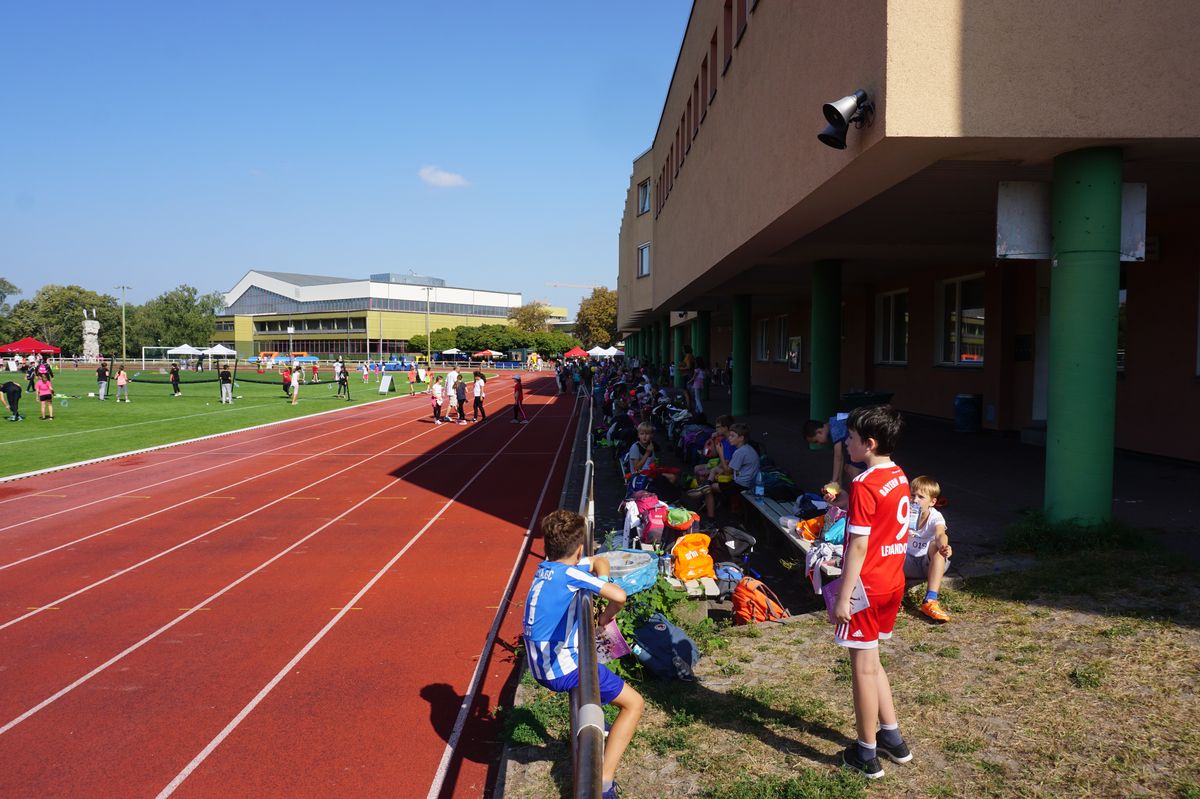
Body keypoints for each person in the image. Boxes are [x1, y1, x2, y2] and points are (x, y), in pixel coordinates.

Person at [522, 509, 644, 799]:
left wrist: (598, 572)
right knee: (634, 705)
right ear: (579, 549)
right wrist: (605, 619)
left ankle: (593, 725)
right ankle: (603, 782)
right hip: (560, 669)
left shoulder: (546, 568)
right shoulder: (572, 575)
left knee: (598, 695)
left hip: (540, 665)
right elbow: (619, 596)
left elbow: (600, 561)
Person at [833, 405, 912, 779]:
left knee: (862, 669)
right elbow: (879, 519)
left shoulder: (864, 483)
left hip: (867, 586)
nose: (845, 443)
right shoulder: (898, 476)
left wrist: (843, 595)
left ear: (869, 444)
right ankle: (892, 736)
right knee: (873, 659)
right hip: (892, 581)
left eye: (850, 438)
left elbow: (860, 547)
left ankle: (866, 753)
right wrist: (847, 505)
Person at [905, 475, 953, 622]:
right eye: (912, 495)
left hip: (928, 564)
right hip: (906, 562)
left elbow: (940, 534)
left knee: (936, 548)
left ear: (932, 502)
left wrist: (944, 546)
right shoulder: (904, 512)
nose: (915, 499)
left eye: (921, 497)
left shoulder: (935, 517)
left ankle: (930, 600)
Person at [703, 422, 758, 518]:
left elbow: (728, 471)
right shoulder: (746, 448)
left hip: (741, 485)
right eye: (730, 435)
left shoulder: (740, 452)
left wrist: (721, 453)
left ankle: (710, 518)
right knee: (716, 470)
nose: (729, 438)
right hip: (747, 480)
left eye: (733, 436)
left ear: (741, 438)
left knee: (708, 489)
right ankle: (708, 482)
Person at [804, 413, 868, 487]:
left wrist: (834, 480)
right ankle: (847, 494)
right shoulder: (835, 420)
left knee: (853, 470)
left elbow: (838, 456)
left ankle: (857, 495)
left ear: (819, 432)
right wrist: (838, 481)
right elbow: (840, 459)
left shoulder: (835, 428)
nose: (818, 444)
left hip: (865, 444)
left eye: (816, 441)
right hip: (862, 442)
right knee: (847, 469)